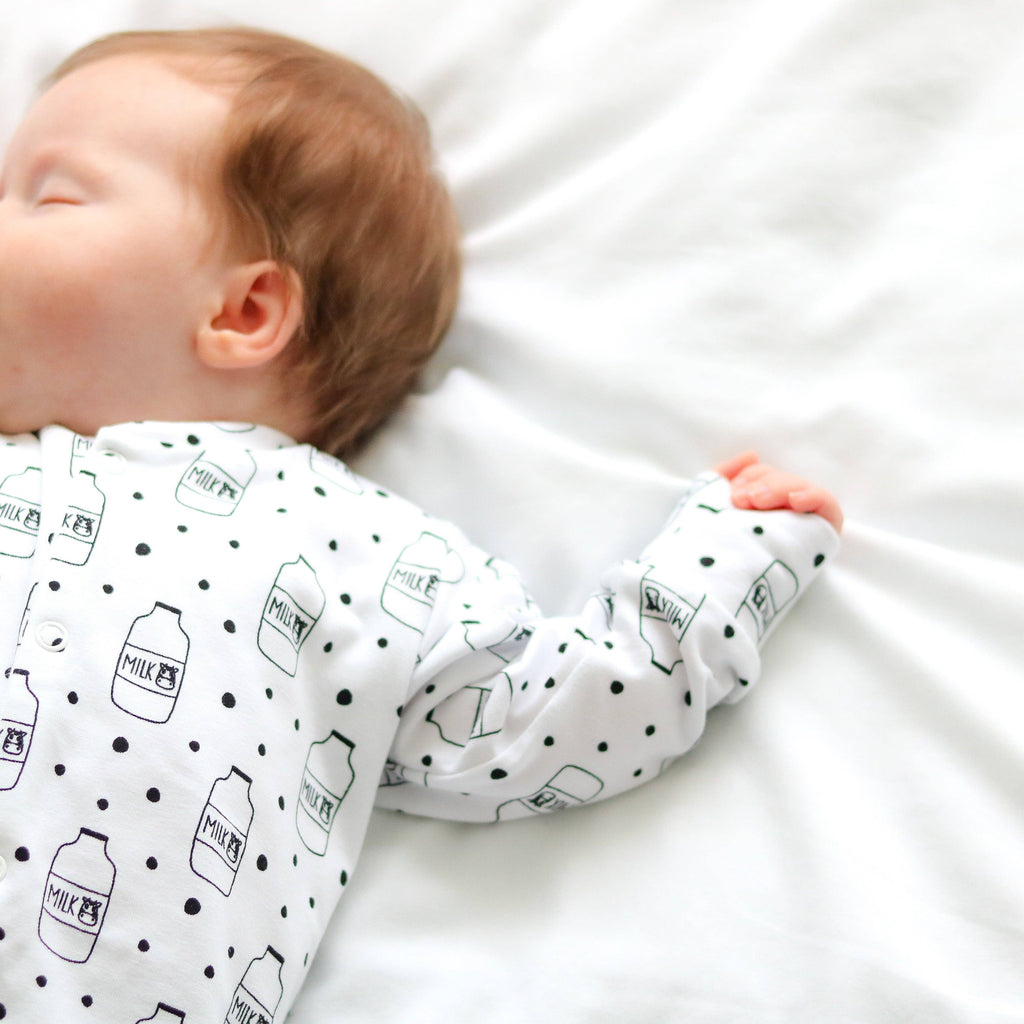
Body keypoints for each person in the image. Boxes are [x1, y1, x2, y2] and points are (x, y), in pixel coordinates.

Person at [0, 27, 842, 1022]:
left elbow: (561, 711)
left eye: (48, 196)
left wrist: (732, 552)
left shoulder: (362, 552)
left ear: (244, 311)